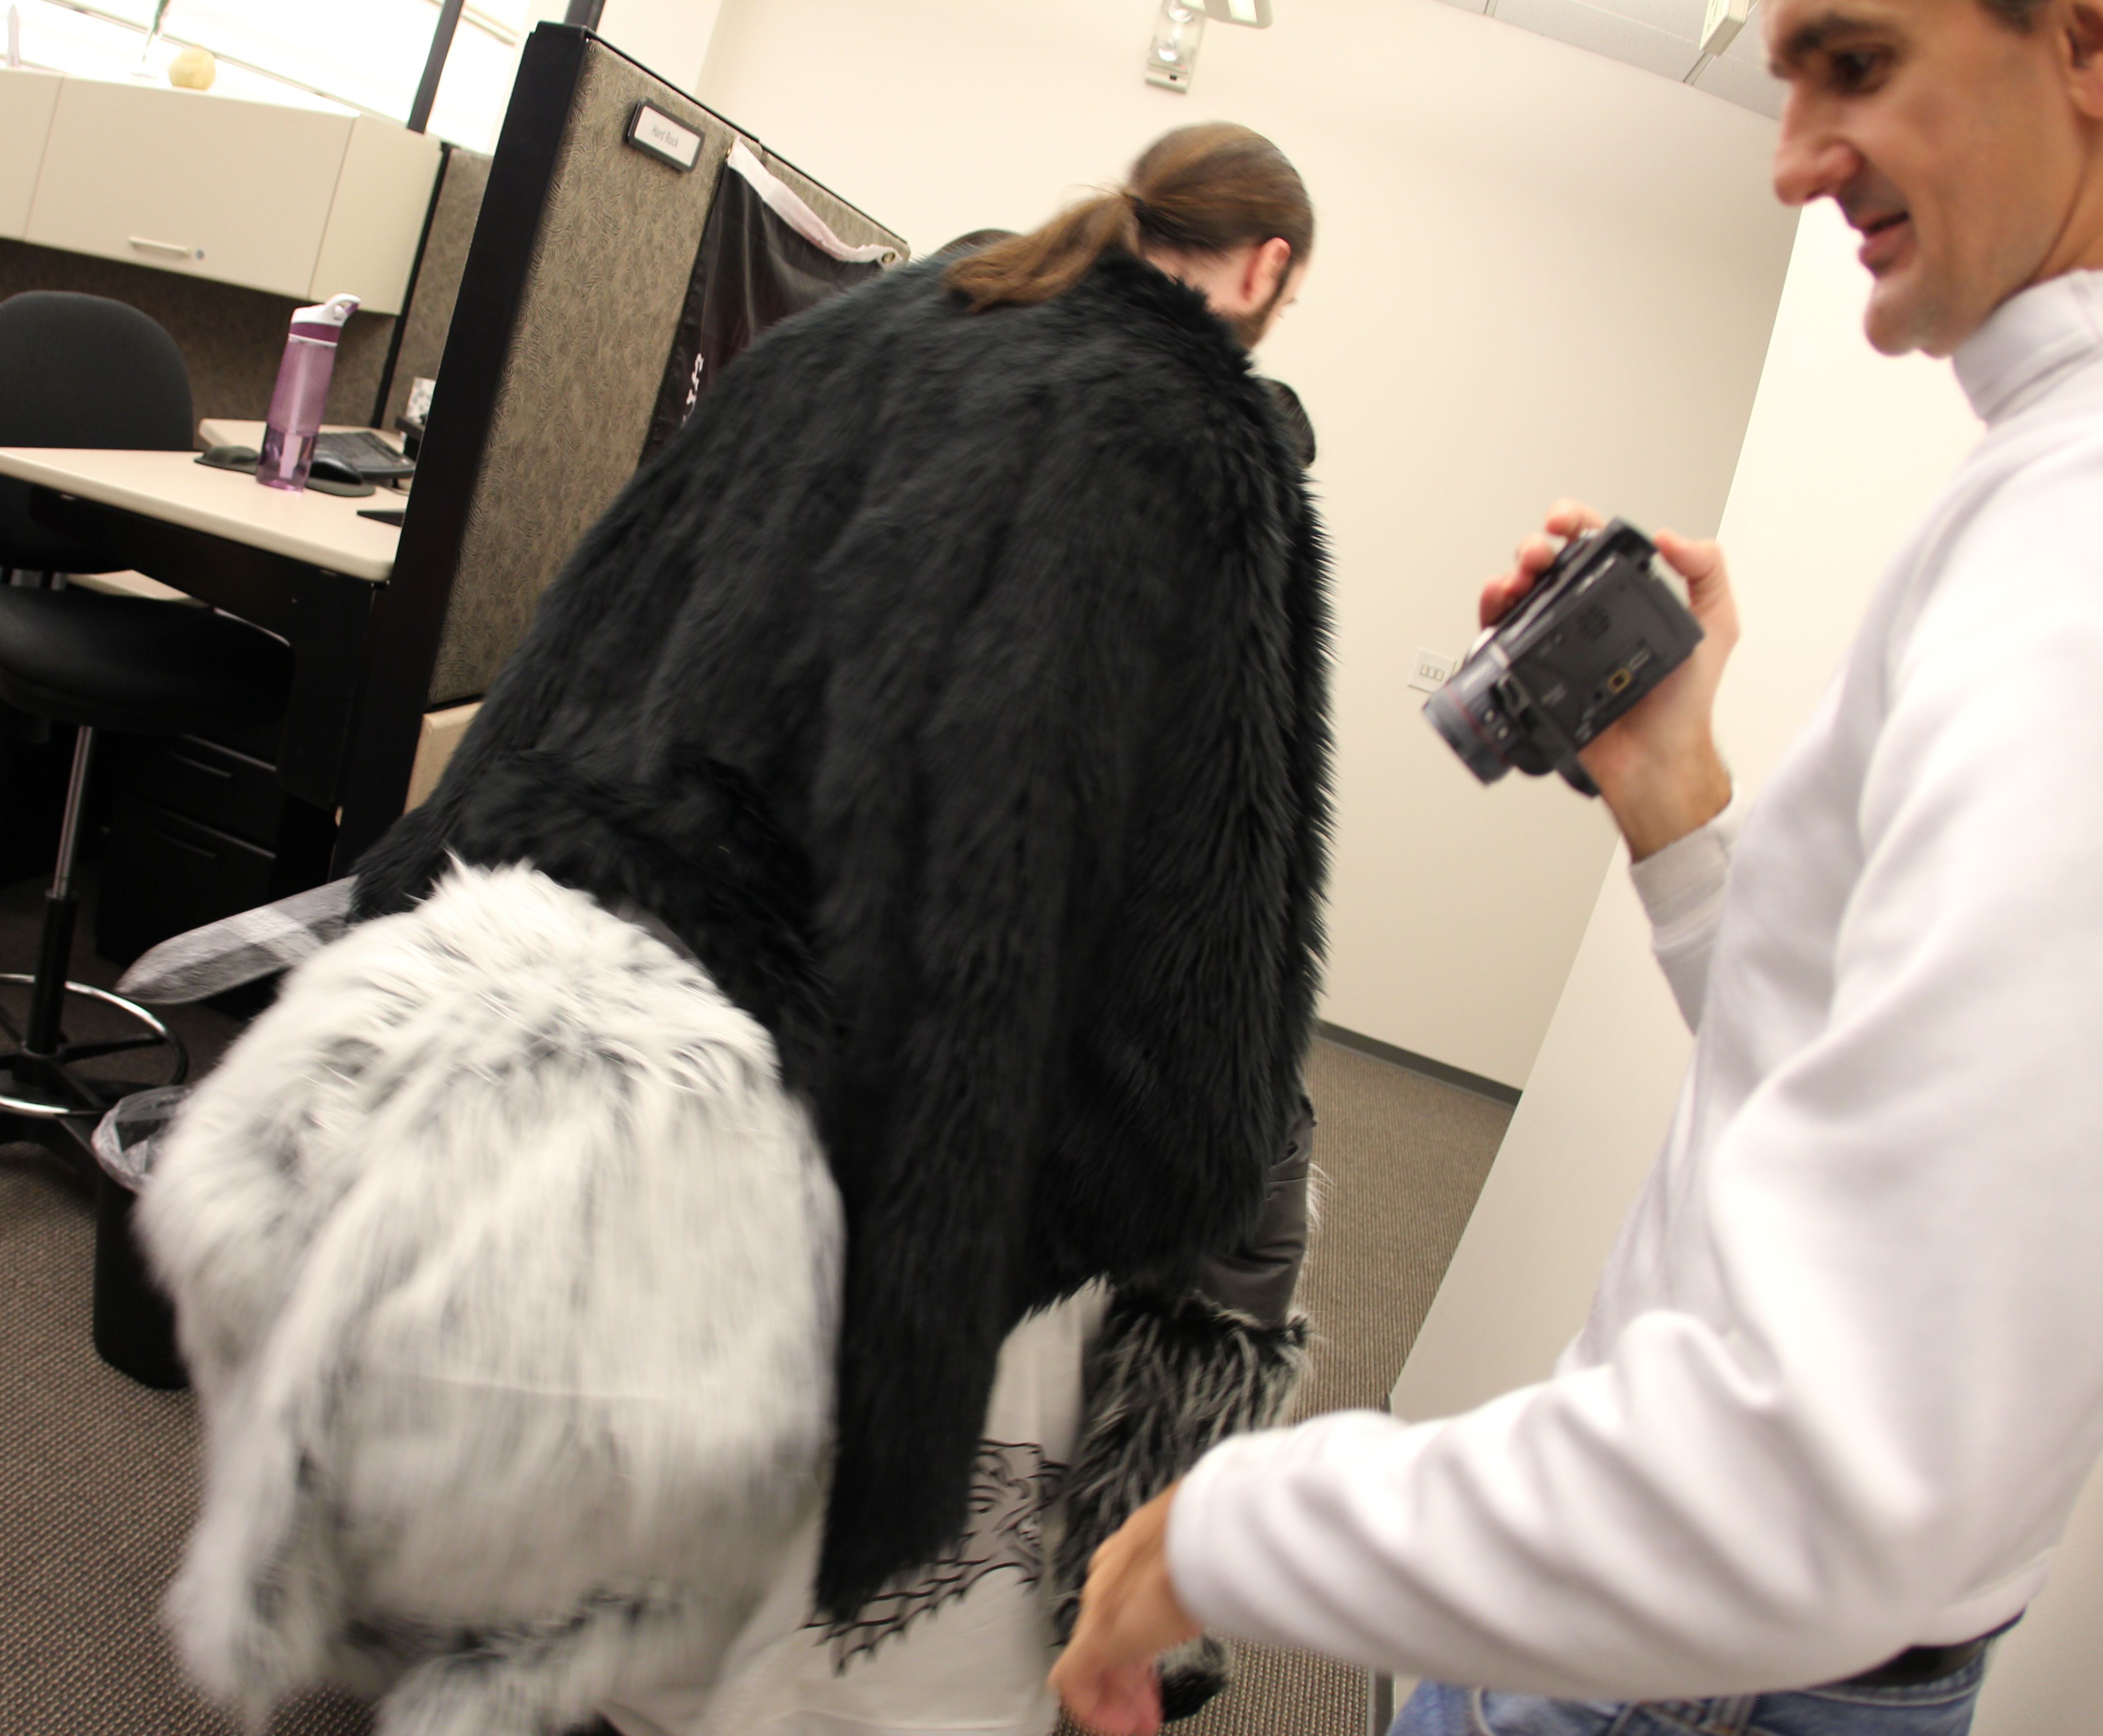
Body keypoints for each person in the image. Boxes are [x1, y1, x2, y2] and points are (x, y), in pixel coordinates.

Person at [135, 123, 1329, 1736]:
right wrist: (1187, 1171)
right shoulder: (1210, 439)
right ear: (1269, 269)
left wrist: (447, 880)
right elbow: (1208, 905)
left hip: (627, 952)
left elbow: (601, 621)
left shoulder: (879, 317)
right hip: (885, 1041)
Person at [1051, 0, 2103, 1730]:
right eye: (1781, 80)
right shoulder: (2026, 491)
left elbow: (1846, 1465)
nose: (1791, 162)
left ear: (2079, 43)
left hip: (1709, 1657)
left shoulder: (2068, 569)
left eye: (1856, 64)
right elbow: (1820, 1062)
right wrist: (1671, 786)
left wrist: (1233, 1526)